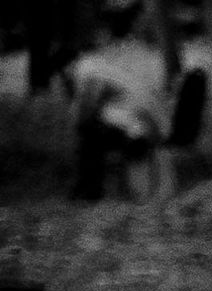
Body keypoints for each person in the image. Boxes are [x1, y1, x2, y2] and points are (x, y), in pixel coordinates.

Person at [67, 3, 170, 201]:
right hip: (141, 121)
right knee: (92, 128)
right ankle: (88, 190)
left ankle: (88, 192)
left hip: (142, 123)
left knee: (90, 132)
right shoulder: (143, 54)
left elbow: (88, 104)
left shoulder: (102, 61)